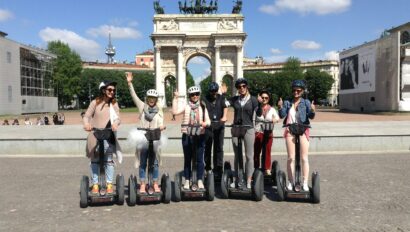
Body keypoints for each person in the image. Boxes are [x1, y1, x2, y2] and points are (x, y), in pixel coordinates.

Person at [126, 72, 165, 193]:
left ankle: (155, 183)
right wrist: (129, 83)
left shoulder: (160, 111)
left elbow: (161, 123)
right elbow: (134, 96)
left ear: (156, 99)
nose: (151, 100)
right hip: (143, 138)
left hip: (155, 138)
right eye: (150, 98)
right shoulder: (142, 106)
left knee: (155, 163)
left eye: (154, 98)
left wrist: (162, 126)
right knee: (143, 161)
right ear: (147, 99)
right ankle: (142, 183)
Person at [83, 80, 122, 195]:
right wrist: (86, 124)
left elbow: (118, 118)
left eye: (114, 90)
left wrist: (116, 123)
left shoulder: (114, 104)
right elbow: (86, 116)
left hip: (108, 134)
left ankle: (109, 184)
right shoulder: (95, 102)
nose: (112, 92)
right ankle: (95, 184)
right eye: (110, 90)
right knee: (94, 160)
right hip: (95, 134)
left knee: (109, 160)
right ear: (104, 90)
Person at [221, 78, 261, 189]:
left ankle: (248, 179)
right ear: (237, 89)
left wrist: (260, 104)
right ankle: (237, 179)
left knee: (249, 156)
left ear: (247, 86)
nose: (241, 88)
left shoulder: (253, 100)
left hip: (248, 128)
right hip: (236, 129)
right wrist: (223, 95)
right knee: (237, 156)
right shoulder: (234, 99)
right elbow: (224, 104)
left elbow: (259, 113)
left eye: (243, 86)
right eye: (239, 87)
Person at [278, 79, 315, 192]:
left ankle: (304, 182)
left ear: (302, 91)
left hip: (303, 130)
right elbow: (282, 115)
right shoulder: (287, 102)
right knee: (291, 158)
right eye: (294, 90)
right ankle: (291, 181)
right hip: (290, 130)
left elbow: (311, 116)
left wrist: (313, 111)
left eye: (298, 90)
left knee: (304, 158)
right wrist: (280, 107)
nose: (296, 92)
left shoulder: (306, 102)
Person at [172, 86, 210, 190]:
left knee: (199, 159)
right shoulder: (186, 106)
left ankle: (199, 180)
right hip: (187, 136)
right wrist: (175, 98)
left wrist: (204, 123)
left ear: (199, 95)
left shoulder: (203, 106)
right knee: (187, 159)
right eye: (192, 95)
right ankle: (187, 180)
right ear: (189, 96)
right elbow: (175, 112)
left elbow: (208, 121)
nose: (195, 96)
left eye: (197, 94)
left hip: (200, 135)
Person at [202, 82, 227, 178]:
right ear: (209, 91)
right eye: (212, 91)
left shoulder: (221, 97)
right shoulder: (204, 99)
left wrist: (224, 117)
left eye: (215, 91)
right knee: (207, 148)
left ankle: (218, 168)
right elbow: (200, 109)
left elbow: (226, 106)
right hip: (208, 126)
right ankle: (207, 168)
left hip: (219, 126)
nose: (214, 93)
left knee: (219, 148)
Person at [254, 90, 279, 175]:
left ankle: (267, 168)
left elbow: (277, 118)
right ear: (260, 98)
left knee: (267, 151)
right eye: (263, 97)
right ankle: (256, 168)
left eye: (266, 98)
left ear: (268, 99)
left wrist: (274, 120)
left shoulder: (272, 109)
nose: (264, 99)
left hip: (268, 132)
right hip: (258, 132)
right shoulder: (256, 108)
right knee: (257, 152)